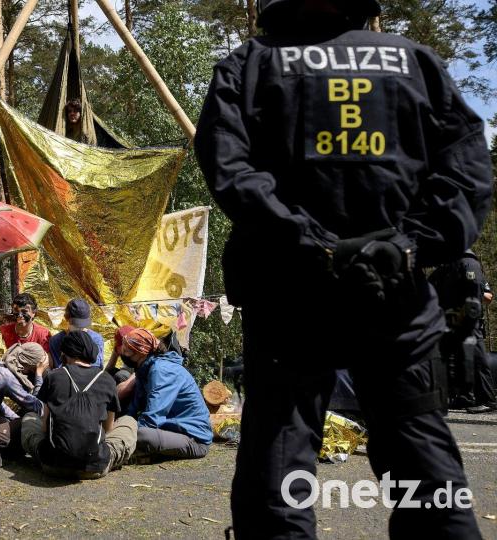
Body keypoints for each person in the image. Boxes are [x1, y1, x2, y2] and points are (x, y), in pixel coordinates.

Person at [195, 0, 491, 536]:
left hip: (289, 300)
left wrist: (307, 241)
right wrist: (407, 246)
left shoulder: (251, 64)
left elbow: (229, 169)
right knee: (427, 474)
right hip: (394, 297)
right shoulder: (415, 62)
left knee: (278, 473)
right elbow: (467, 174)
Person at [21, 330, 137, 479]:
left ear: (65, 353)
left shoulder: (53, 377)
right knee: (129, 421)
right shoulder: (107, 379)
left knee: (30, 417)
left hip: (53, 465)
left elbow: (44, 427)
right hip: (94, 466)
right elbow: (108, 429)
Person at [120, 329, 211, 461]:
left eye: (126, 350)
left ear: (140, 352)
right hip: (172, 429)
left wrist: (124, 432)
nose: (122, 353)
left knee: (142, 434)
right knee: (124, 425)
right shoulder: (144, 368)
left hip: (194, 439)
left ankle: (141, 455)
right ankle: (146, 454)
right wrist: (121, 423)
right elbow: (134, 408)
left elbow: (152, 418)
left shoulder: (162, 371)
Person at [430, 250, 496, 413]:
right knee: (452, 360)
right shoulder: (443, 269)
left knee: (476, 357)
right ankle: (464, 396)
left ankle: (487, 399)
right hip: (447, 322)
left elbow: (485, 295)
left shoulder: (467, 262)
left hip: (467, 320)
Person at [49, 298, 105, 368]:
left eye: (83, 325)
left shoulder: (96, 339)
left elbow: (96, 367)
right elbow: (58, 369)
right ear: (66, 318)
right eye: (76, 325)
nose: (80, 328)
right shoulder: (56, 340)